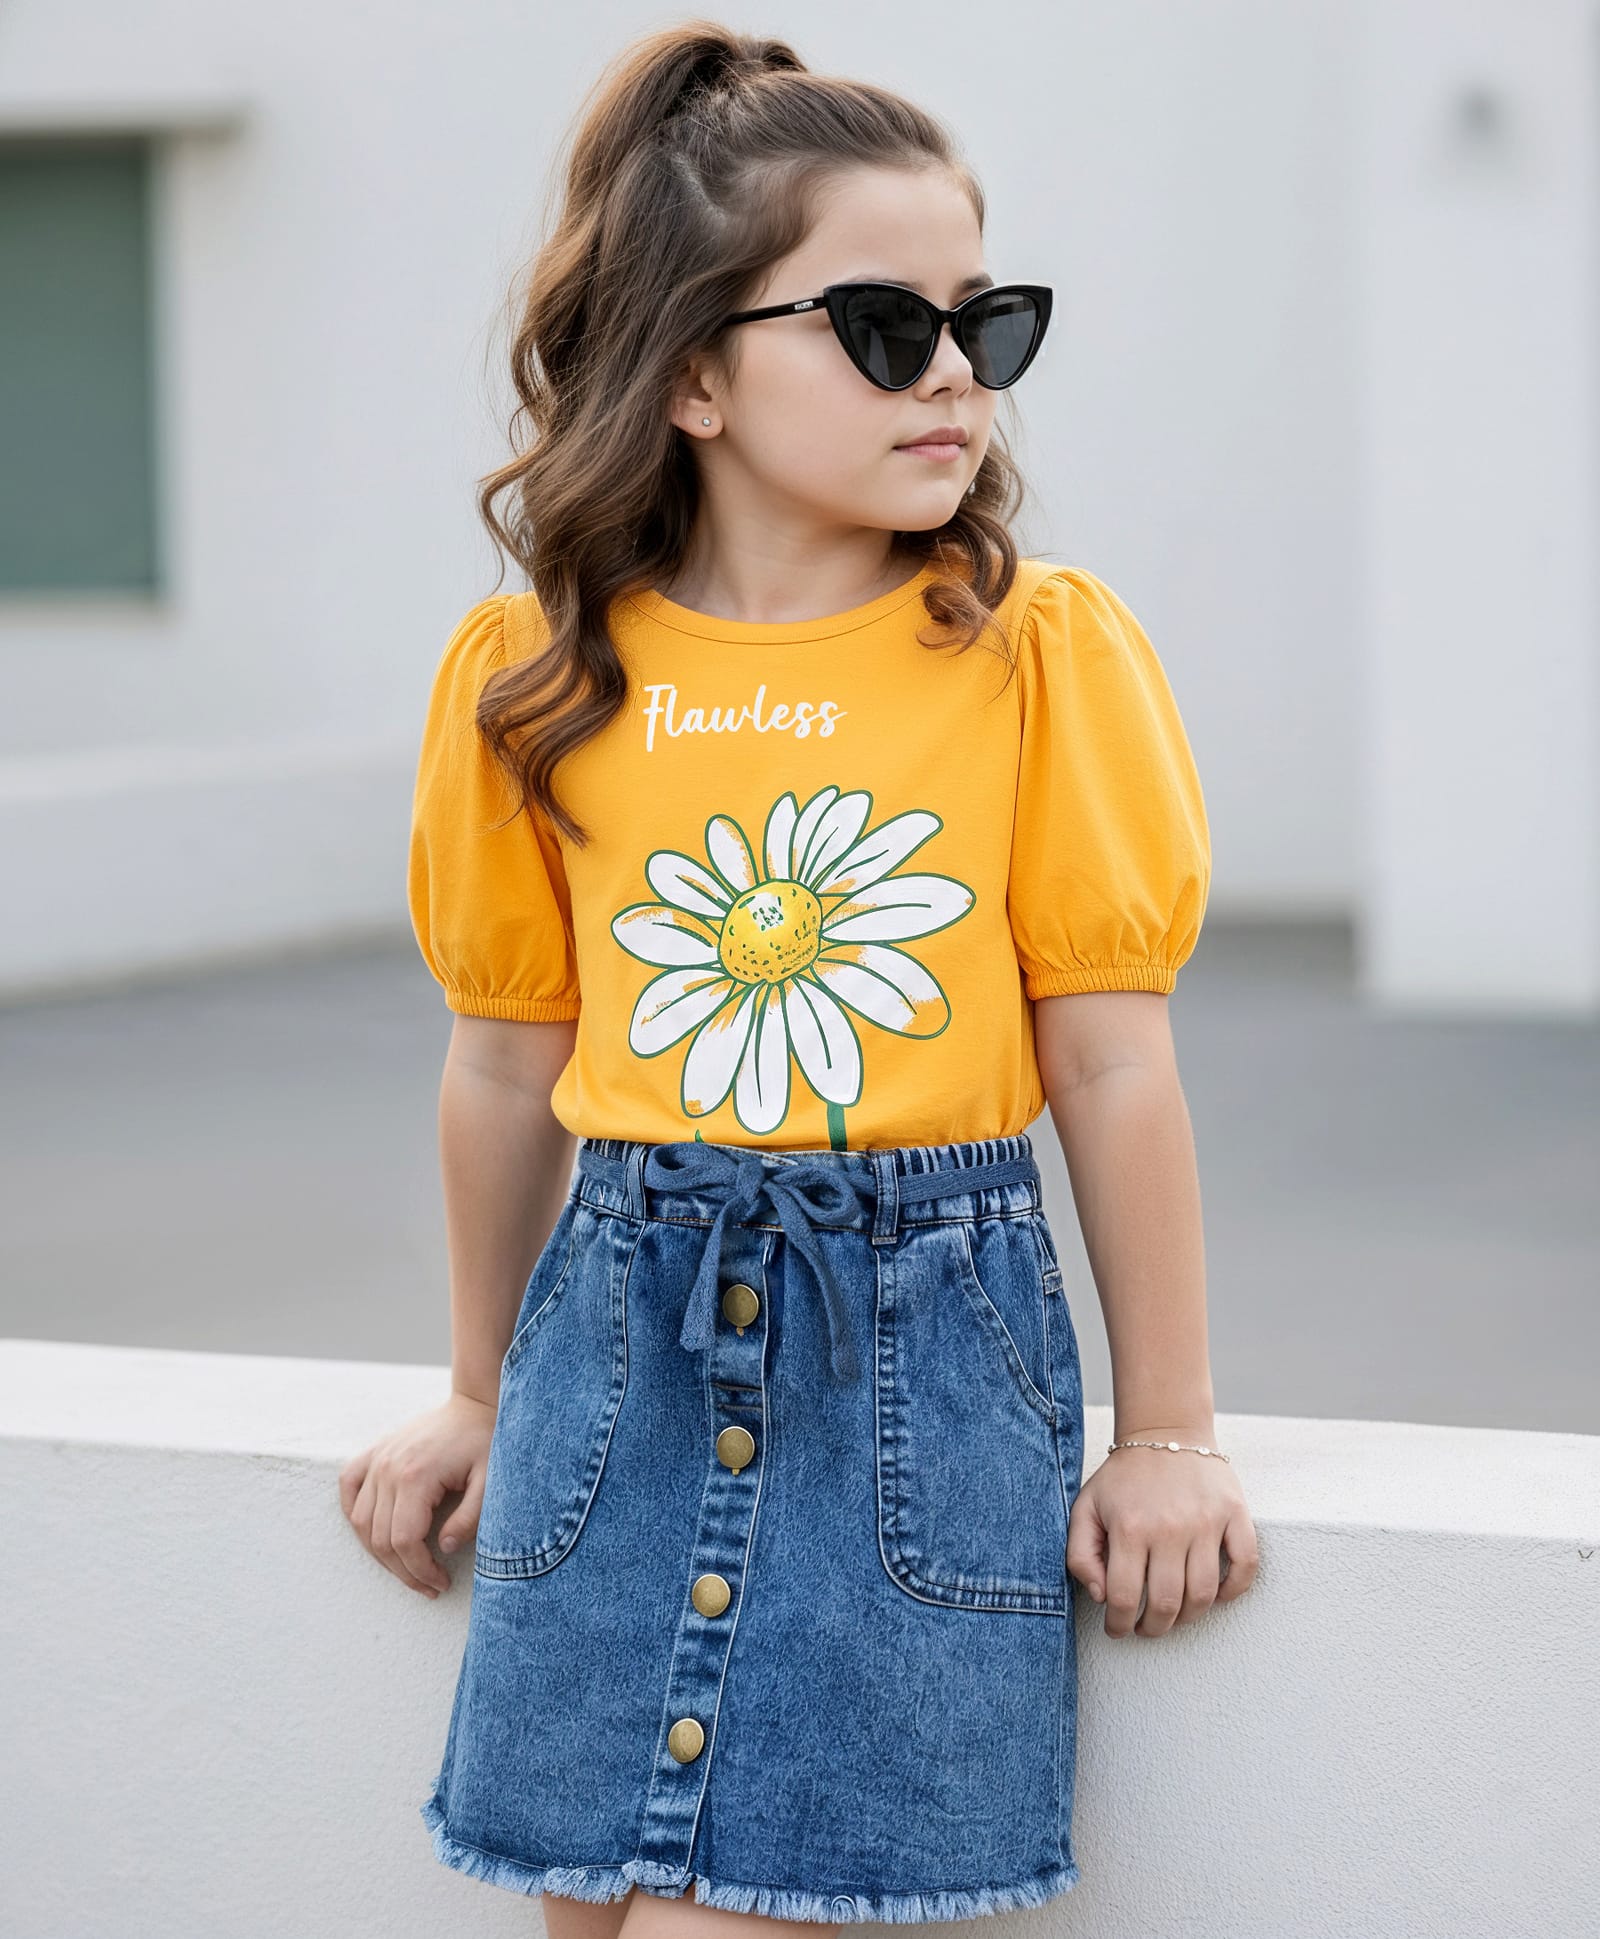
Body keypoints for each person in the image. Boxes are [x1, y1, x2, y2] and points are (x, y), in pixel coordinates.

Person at [340, 19, 1259, 1935]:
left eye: (984, 324)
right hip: (615, 1366)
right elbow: (506, 1073)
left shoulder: (1032, 657)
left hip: (913, 1371)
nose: (956, 379)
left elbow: (1111, 1066)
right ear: (689, 376)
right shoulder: (537, 677)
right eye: (880, 326)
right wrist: (476, 1388)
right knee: (584, 1909)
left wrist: (1164, 1431)